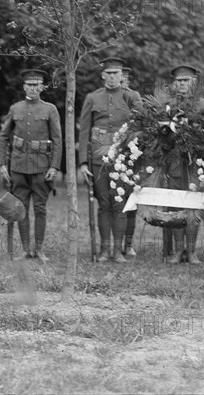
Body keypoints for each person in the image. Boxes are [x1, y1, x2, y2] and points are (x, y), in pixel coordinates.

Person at [79, 57, 143, 262]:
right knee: (104, 204)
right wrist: (82, 163)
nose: (113, 77)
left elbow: (142, 127)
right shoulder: (92, 98)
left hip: (124, 160)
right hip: (99, 160)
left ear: (121, 75)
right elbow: (84, 132)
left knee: (120, 204)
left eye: (117, 73)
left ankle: (118, 250)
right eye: (109, 73)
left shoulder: (131, 97)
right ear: (103, 75)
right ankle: (104, 250)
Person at [0, 69, 62, 260]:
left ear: (42, 87)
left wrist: (54, 166)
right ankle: (26, 249)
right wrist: (2, 164)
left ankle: (39, 249)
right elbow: (3, 136)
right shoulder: (15, 108)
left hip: (41, 167)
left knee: (40, 208)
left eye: (36, 85)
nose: (33, 88)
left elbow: (57, 139)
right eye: (29, 85)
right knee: (21, 207)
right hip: (18, 167)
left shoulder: (50, 109)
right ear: (24, 86)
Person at [162, 65, 204, 265]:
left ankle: (192, 251)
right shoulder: (167, 106)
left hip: (197, 166)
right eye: (178, 81)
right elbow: (159, 137)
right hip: (175, 164)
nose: (182, 84)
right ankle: (178, 251)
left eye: (186, 80)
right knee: (177, 207)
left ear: (194, 82)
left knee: (194, 208)